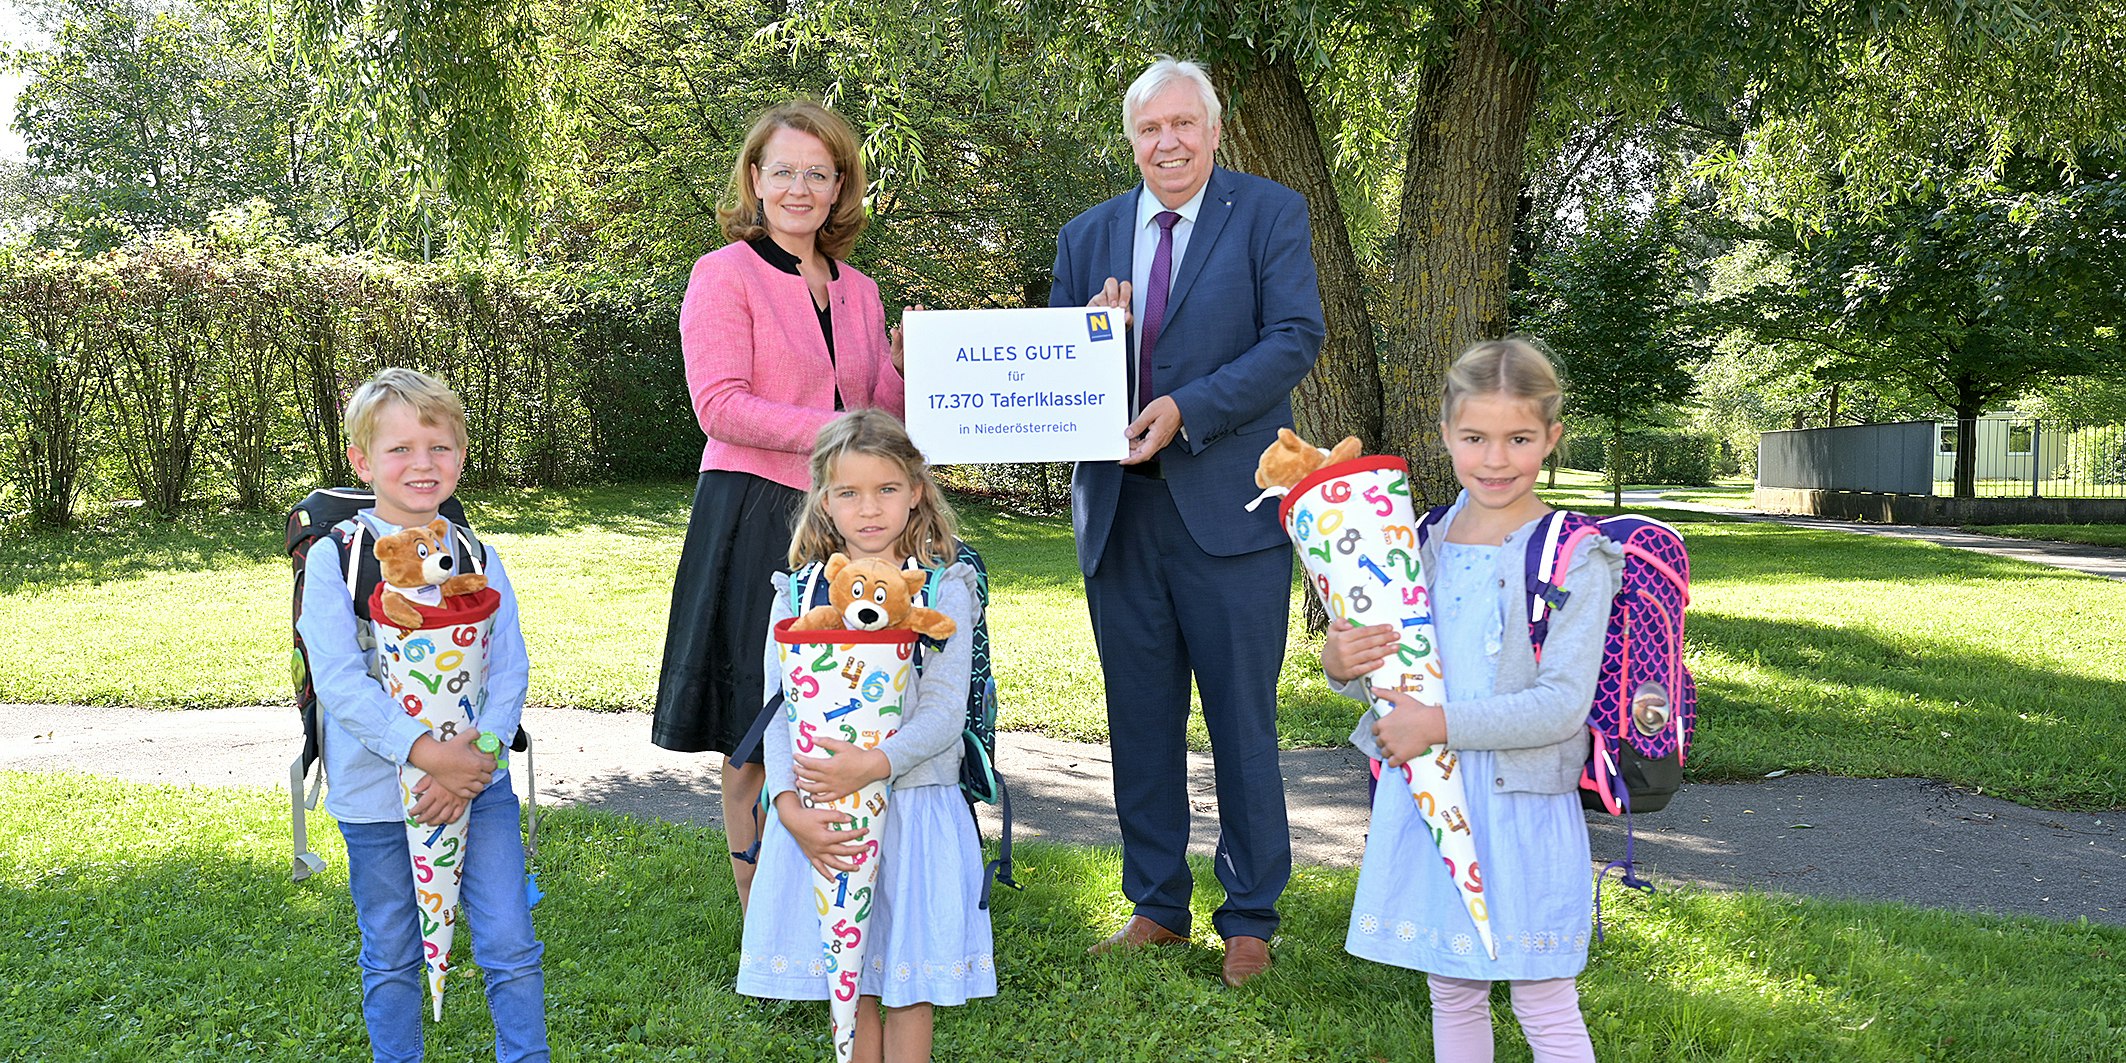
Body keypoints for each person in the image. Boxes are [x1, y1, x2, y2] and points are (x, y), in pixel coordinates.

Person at [1048, 57, 1325, 987]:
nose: (1167, 142)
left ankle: (1249, 915)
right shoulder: (1086, 235)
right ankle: (1158, 904)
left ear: (1212, 129)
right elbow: (1052, 373)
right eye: (1149, 128)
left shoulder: (1271, 213)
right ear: (1131, 138)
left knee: (1243, 720)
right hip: (1119, 512)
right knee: (1139, 718)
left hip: (1230, 513)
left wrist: (1189, 407)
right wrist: (1093, 340)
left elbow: (1294, 337)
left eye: (1183, 124)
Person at [1322, 339, 1622, 1063]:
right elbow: (1386, 669)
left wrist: (1437, 723)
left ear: (1551, 437)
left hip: (1523, 806)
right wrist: (1340, 663)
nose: (1495, 459)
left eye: (1519, 439)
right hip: (1434, 799)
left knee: (1542, 995)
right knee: (1452, 988)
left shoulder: (1575, 556)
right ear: (1446, 435)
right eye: (1475, 438)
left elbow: (1560, 706)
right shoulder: (1418, 541)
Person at [652, 98, 908, 912]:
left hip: (851, 527)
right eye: (784, 171)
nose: (801, 188)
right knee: (753, 726)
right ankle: (759, 912)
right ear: (756, 180)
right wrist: (838, 430)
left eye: (818, 174)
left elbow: (882, 417)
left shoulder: (863, 291)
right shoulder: (722, 273)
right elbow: (719, 405)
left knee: (842, 706)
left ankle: (836, 892)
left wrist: (905, 369)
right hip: (753, 513)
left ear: (840, 187)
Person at [297, 367, 547, 1062]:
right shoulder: (337, 559)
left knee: (510, 945)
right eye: (400, 448)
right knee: (392, 951)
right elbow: (340, 680)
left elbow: (508, 665)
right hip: (377, 796)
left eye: (439, 447)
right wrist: (429, 755)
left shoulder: (478, 555)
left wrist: (479, 758)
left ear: (461, 456)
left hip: (480, 786)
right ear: (362, 461)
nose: (422, 463)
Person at [738, 409, 995, 1063]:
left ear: (916, 490)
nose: (870, 508)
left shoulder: (944, 589)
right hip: (827, 820)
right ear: (825, 500)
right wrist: (789, 809)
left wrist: (875, 763)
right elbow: (779, 711)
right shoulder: (799, 595)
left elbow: (944, 713)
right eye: (849, 492)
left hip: (916, 811)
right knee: (850, 985)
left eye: (886, 488)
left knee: (906, 984)